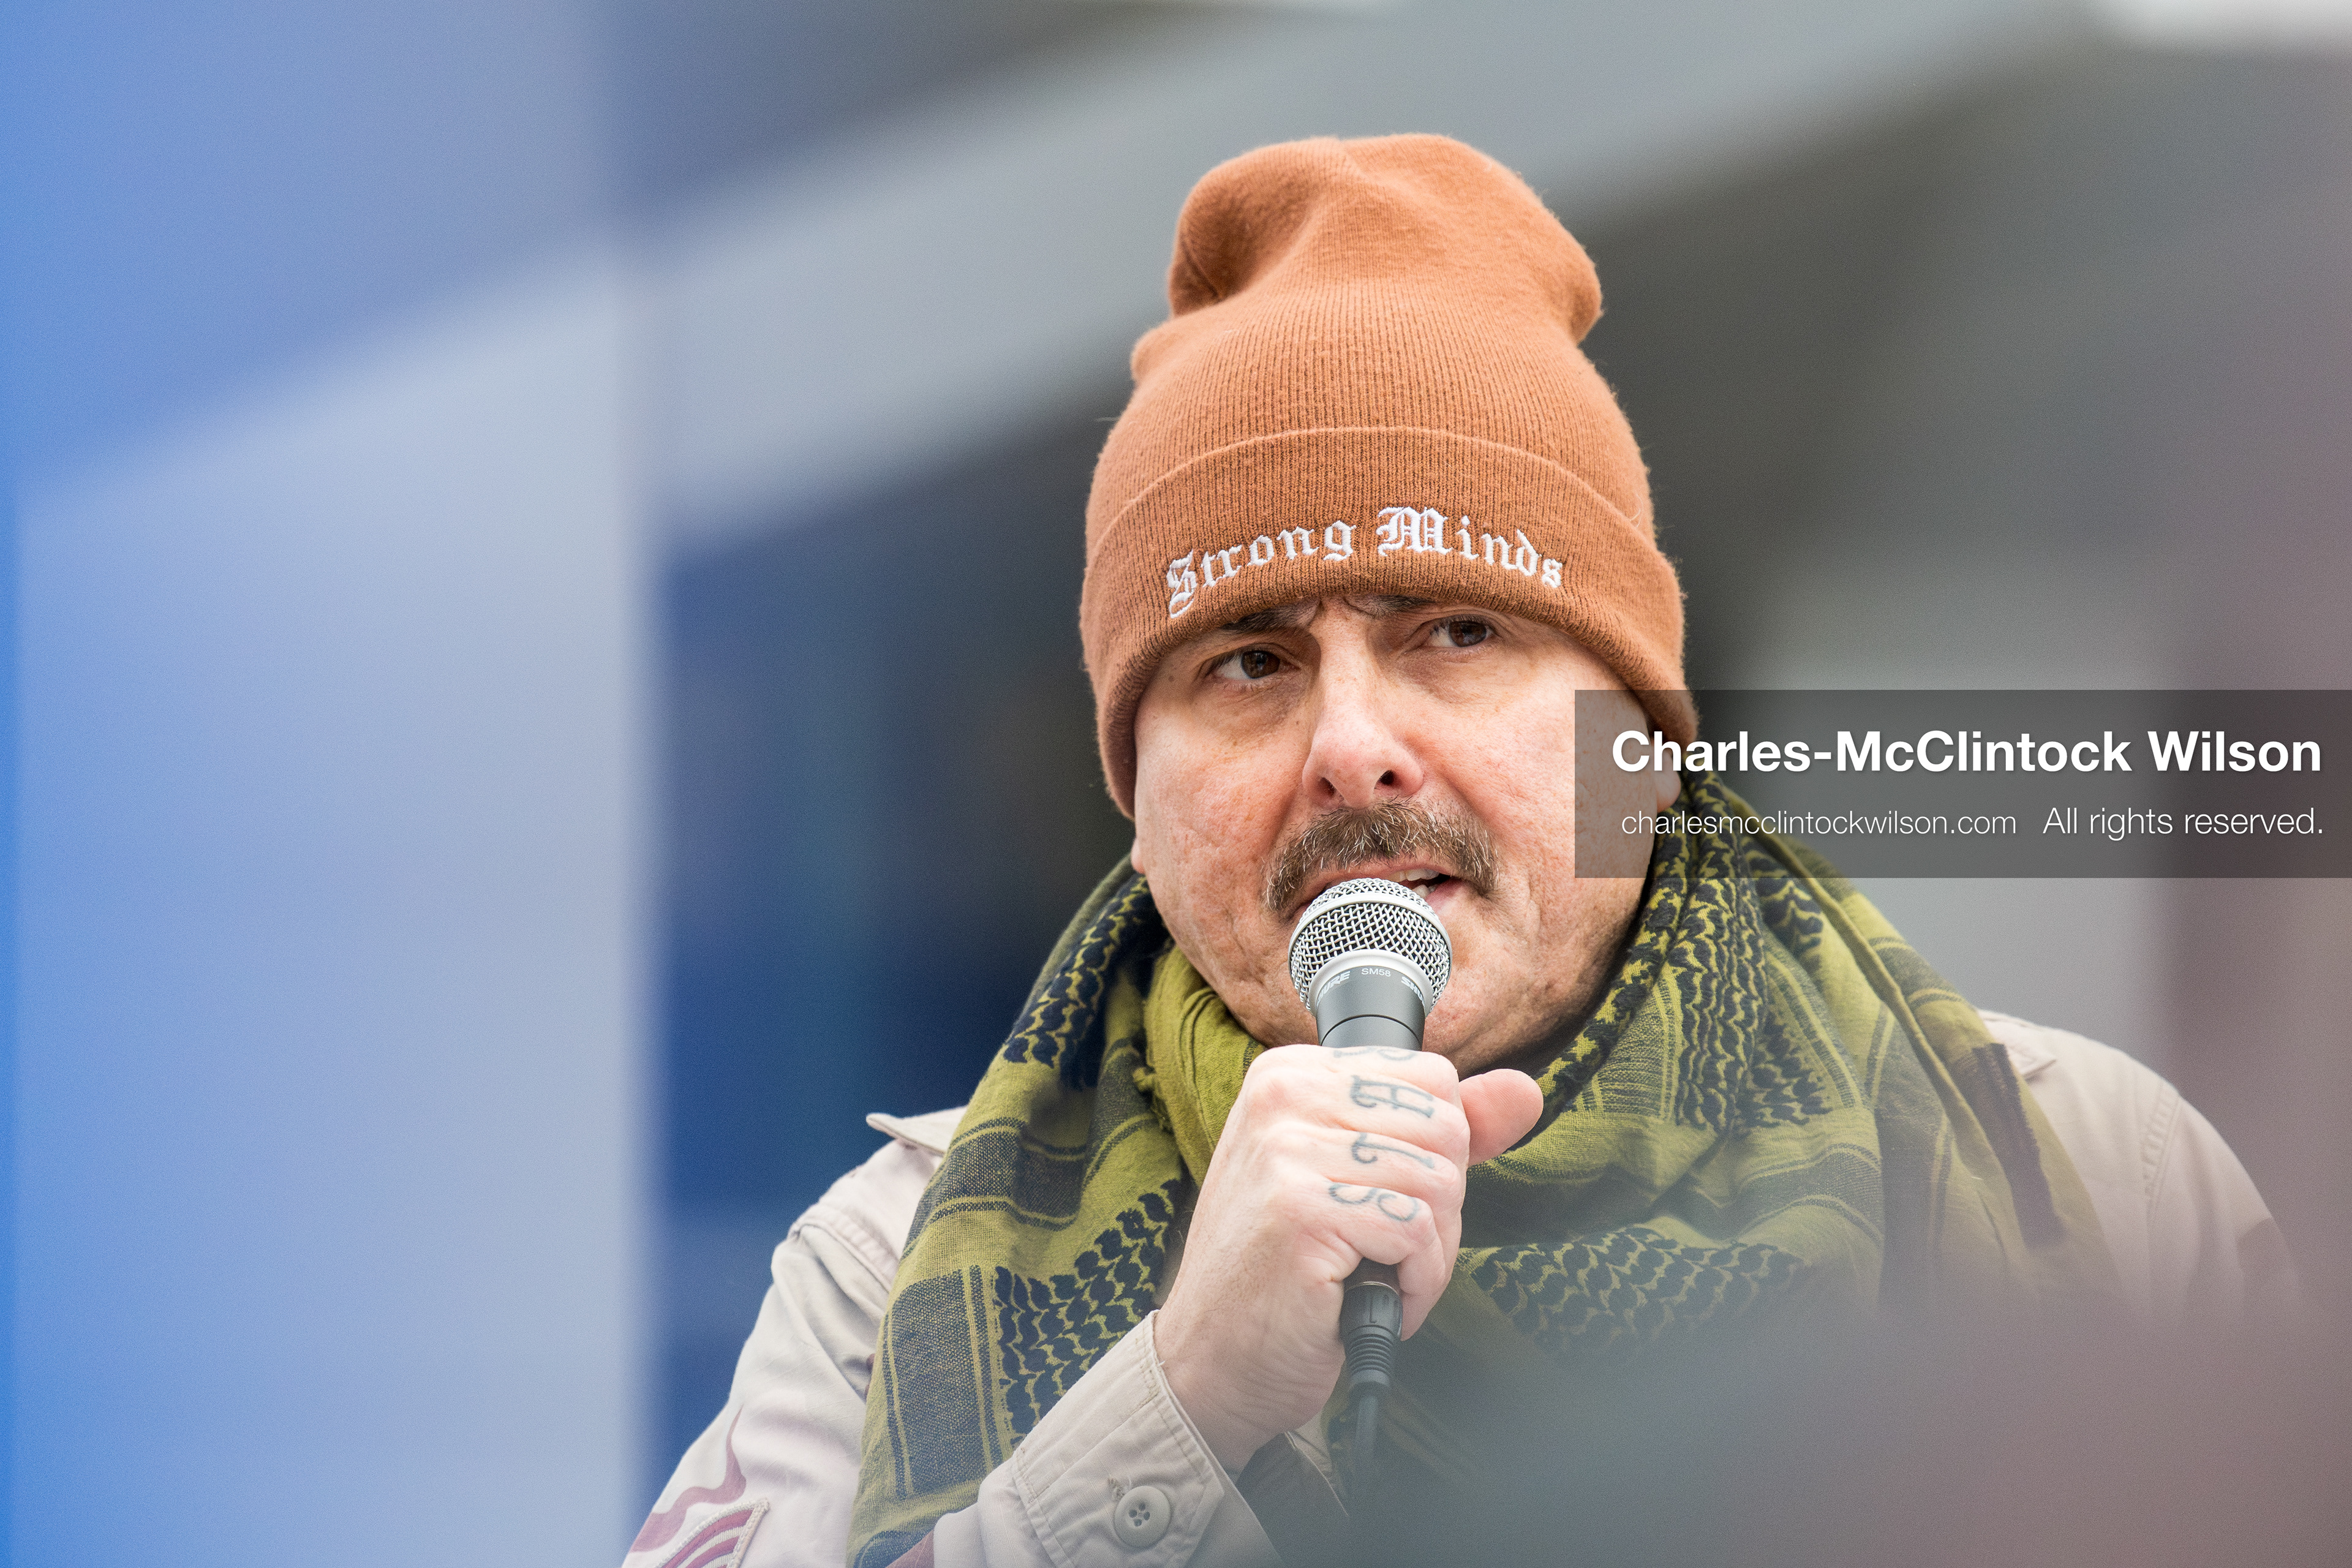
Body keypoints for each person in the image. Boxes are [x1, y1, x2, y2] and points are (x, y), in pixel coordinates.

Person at [622, 135, 2293, 1568]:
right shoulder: (886, 1269)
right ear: (1138, 799)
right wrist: (1177, 1405)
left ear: (1639, 740)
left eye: (1458, 632)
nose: (1353, 743)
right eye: (1248, 664)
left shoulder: (2094, 1185)